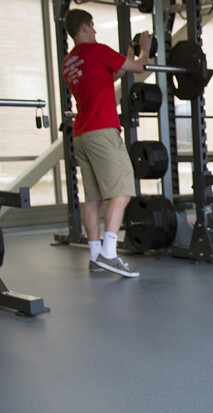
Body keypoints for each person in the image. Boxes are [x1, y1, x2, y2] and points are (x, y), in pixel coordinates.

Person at [61, 9, 151, 277]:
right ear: (85, 28)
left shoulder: (69, 62)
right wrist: (144, 51)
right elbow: (140, 67)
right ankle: (110, 255)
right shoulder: (95, 50)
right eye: (93, 26)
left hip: (82, 135)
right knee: (122, 192)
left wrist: (127, 57)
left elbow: (108, 77)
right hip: (102, 131)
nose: (96, 31)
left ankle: (95, 256)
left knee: (93, 200)